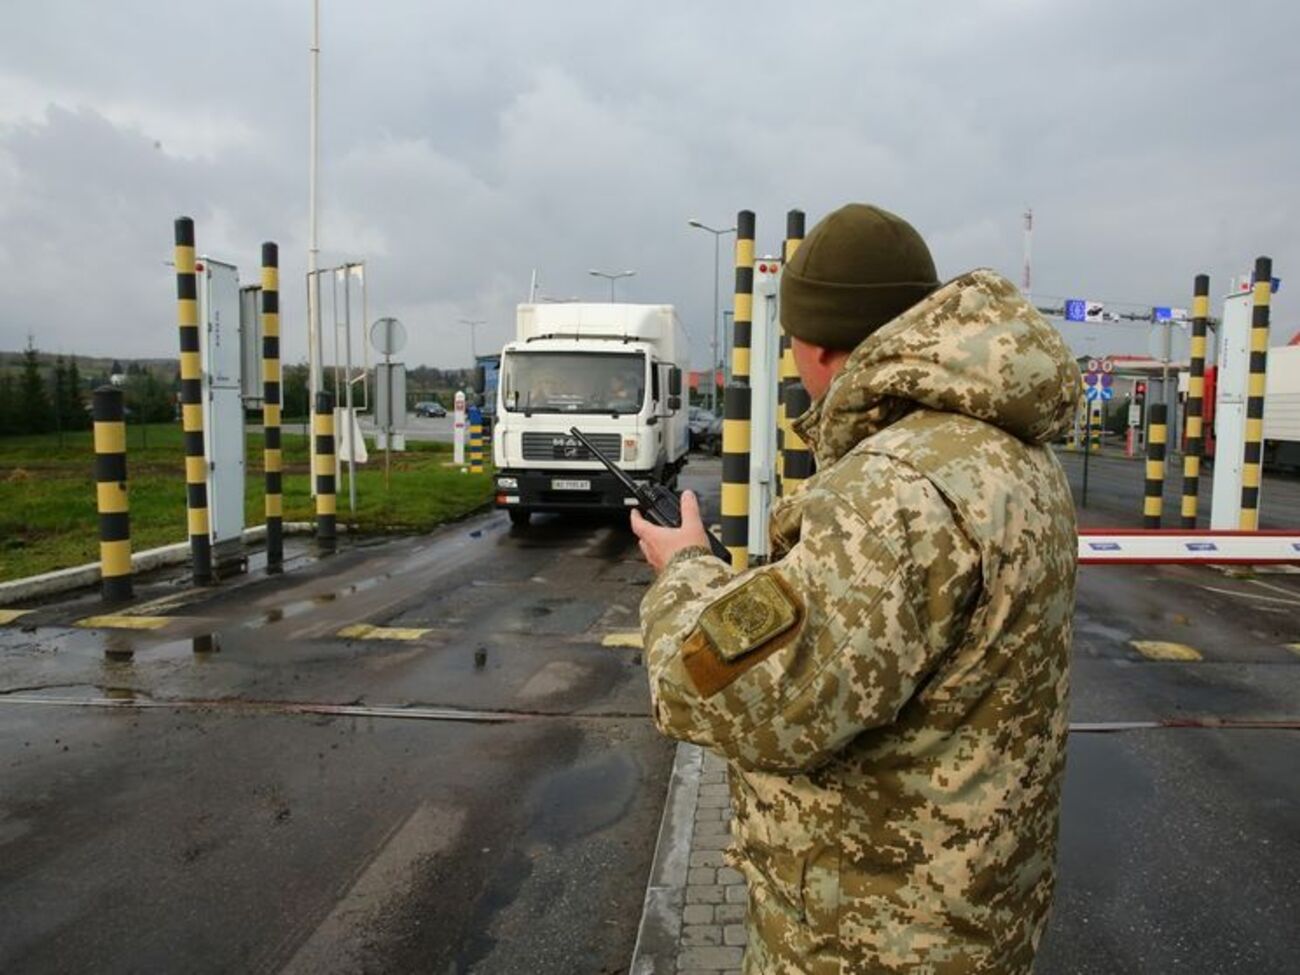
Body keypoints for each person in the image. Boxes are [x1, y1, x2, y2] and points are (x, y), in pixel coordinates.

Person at [631, 203, 1080, 974]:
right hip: (977, 916)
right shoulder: (1013, 456)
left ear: (819, 345)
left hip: (874, 938)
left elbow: (722, 687)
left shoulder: (891, 488)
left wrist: (684, 569)